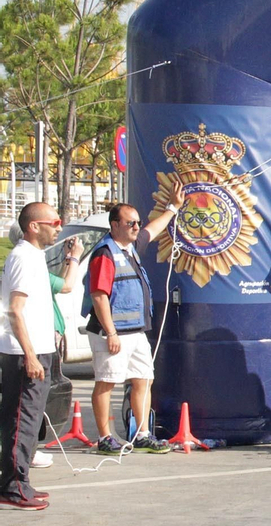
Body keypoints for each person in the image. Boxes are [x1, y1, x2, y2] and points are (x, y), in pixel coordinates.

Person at [84, 202, 177, 455]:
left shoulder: (130, 248)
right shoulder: (105, 253)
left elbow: (152, 229)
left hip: (136, 331)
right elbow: (99, 295)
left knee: (144, 379)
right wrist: (111, 332)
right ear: (115, 226)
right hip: (113, 333)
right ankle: (105, 438)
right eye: (130, 223)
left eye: (137, 222)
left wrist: (173, 208)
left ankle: (142, 434)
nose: (137, 227)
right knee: (107, 382)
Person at [0, 204, 63, 510]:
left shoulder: (34, 255)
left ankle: (20, 481)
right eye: (55, 221)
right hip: (26, 352)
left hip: (39, 349)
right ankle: (12, 486)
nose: (59, 227)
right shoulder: (23, 257)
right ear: (34, 226)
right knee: (21, 420)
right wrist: (30, 355)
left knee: (31, 419)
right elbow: (15, 310)